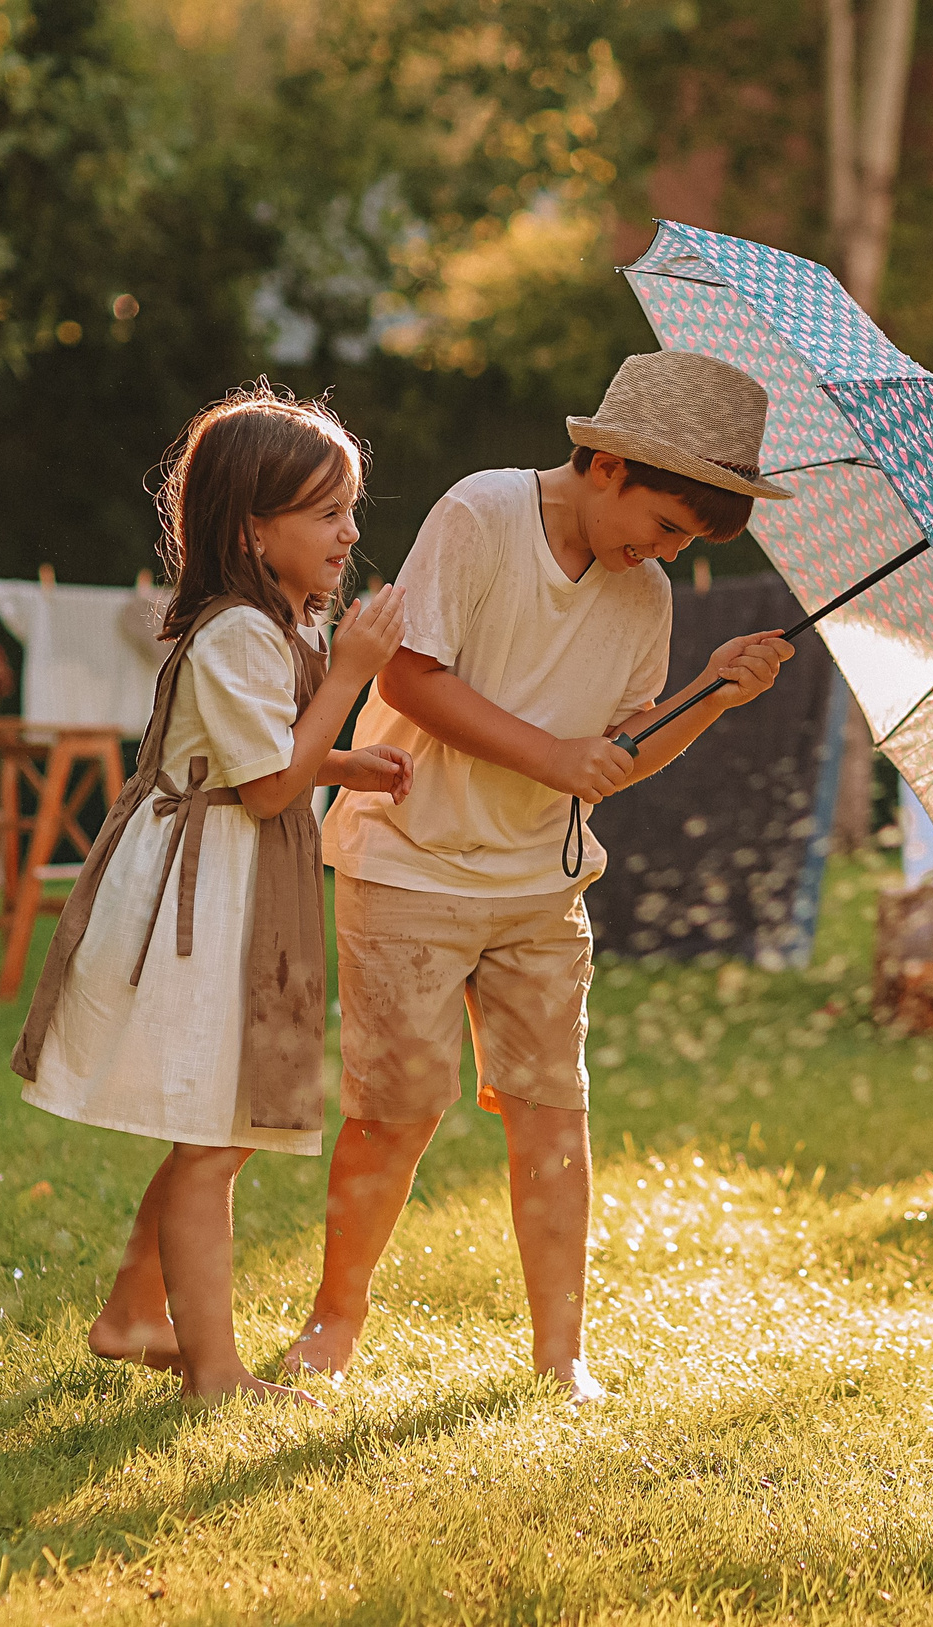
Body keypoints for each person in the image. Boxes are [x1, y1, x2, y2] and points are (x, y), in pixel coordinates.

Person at [292, 351, 794, 1403]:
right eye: (663, 525)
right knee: (398, 1105)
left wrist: (710, 693)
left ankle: (561, 1354)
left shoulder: (644, 594)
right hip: (410, 865)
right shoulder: (480, 515)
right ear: (609, 466)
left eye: (687, 544)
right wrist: (551, 757)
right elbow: (409, 676)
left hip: (538, 887)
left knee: (551, 1111)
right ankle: (336, 1322)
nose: (661, 553)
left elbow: (616, 757)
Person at [9, 386, 413, 1406]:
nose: (349, 531)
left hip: (235, 885)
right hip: (199, 903)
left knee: (212, 1124)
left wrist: (345, 767)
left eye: (349, 509)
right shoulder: (237, 631)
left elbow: (265, 757)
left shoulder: (269, 625)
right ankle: (215, 1373)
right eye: (326, 513)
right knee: (215, 1131)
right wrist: (352, 680)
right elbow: (266, 780)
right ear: (251, 527)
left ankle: (133, 1314)